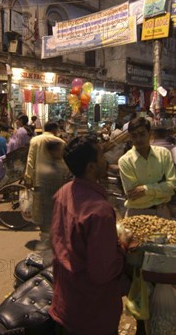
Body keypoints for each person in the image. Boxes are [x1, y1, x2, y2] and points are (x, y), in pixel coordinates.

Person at [50, 136, 132, 335]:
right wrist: (123, 248)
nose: (106, 160)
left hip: (66, 300)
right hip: (92, 313)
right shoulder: (100, 211)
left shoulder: (63, 192)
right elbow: (102, 271)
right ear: (91, 167)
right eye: (102, 156)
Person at [118, 117, 176, 218]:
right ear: (130, 138)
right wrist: (162, 187)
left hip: (162, 212)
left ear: (150, 134)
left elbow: (174, 186)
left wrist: (145, 189)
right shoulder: (125, 161)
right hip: (136, 215)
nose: (138, 139)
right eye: (134, 136)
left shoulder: (164, 154)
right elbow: (133, 196)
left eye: (142, 134)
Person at [24, 122, 69, 250]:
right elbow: (65, 162)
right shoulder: (60, 141)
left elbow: (30, 159)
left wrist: (28, 177)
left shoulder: (35, 140)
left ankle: (45, 236)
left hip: (39, 180)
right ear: (55, 130)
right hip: (58, 182)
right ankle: (54, 237)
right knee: (57, 209)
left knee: (42, 210)